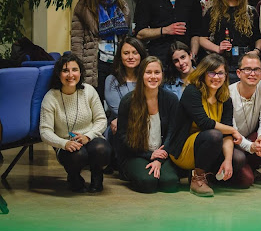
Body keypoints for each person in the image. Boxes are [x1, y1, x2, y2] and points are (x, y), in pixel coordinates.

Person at [166, 54, 246, 197]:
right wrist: (233, 130)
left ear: (226, 75)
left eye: (220, 73)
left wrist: (228, 160)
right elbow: (205, 123)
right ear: (203, 73)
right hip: (184, 149)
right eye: (211, 73)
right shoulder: (192, 91)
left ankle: (207, 175)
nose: (216, 77)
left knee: (238, 158)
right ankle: (197, 179)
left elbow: (227, 134)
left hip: (209, 145)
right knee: (214, 135)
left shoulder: (225, 99)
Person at [39, 54, 110, 193]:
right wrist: (64, 143)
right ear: (58, 74)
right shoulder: (50, 97)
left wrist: (88, 136)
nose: (70, 75)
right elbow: (45, 131)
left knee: (102, 149)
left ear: (80, 72)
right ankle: (74, 177)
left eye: (75, 70)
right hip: (66, 144)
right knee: (77, 155)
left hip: (90, 138)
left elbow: (101, 120)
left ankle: (97, 177)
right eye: (65, 70)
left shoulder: (89, 91)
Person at [115, 57, 180, 193]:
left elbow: (173, 132)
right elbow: (122, 137)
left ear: (162, 75)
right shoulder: (128, 101)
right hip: (135, 154)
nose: (153, 77)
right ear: (141, 75)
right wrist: (149, 154)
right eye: (148, 72)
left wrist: (159, 158)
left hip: (162, 153)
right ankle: (130, 173)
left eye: (157, 72)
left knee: (170, 183)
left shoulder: (171, 99)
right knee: (147, 183)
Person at [72, 0, 130, 101]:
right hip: (95, 63)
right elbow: (76, 42)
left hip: (117, 62)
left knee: (118, 101)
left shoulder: (121, 6)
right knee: (96, 102)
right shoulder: (84, 7)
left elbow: (125, 37)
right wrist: (78, 68)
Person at [199, 0, 261, 84]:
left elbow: (258, 38)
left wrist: (256, 51)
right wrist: (217, 48)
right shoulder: (213, 12)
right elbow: (202, 39)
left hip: (246, 64)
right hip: (222, 64)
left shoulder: (251, 12)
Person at [228, 51, 261, 187]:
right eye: (247, 69)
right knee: (246, 181)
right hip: (232, 142)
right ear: (238, 73)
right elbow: (232, 130)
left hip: (249, 139)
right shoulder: (228, 93)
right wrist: (251, 147)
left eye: (256, 70)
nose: (252, 74)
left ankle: (248, 167)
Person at [104, 36, 147, 164]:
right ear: (120, 56)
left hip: (145, 123)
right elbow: (118, 110)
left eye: (135, 53)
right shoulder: (111, 80)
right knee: (119, 124)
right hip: (119, 126)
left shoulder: (148, 77)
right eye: (126, 53)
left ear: (141, 55)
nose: (131, 57)